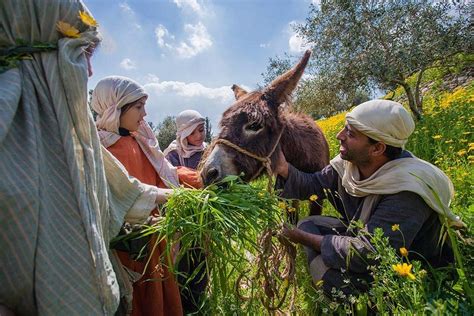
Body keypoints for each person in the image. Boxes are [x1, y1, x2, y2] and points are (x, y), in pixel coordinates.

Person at [0, 1, 171, 315]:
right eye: (80, 53)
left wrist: (179, 197)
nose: (89, 72)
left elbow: (122, 190)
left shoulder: (74, 140)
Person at [274, 99, 463, 298]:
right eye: (344, 129)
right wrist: (283, 168)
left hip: (406, 269)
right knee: (309, 224)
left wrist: (300, 238)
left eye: (351, 134)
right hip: (366, 241)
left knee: (330, 276)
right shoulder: (349, 164)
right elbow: (313, 184)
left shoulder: (407, 189)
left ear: (377, 148)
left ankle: (367, 300)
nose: (339, 136)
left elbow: (369, 254)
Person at [91, 76, 202, 315]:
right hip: (125, 245)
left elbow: (168, 173)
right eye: (138, 107)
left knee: (159, 295)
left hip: (154, 238)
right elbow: (123, 197)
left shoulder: (140, 142)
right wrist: (175, 197)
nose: (145, 114)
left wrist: (203, 180)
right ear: (115, 107)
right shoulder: (99, 150)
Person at [164, 110, 208, 313]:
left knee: (202, 260)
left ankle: (196, 304)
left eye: (202, 129)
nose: (200, 135)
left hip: (206, 218)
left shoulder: (209, 152)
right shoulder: (172, 155)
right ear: (184, 133)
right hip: (182, 222)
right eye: (195, 131)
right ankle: (179, 304)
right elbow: (168, 184)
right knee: (181, 262)